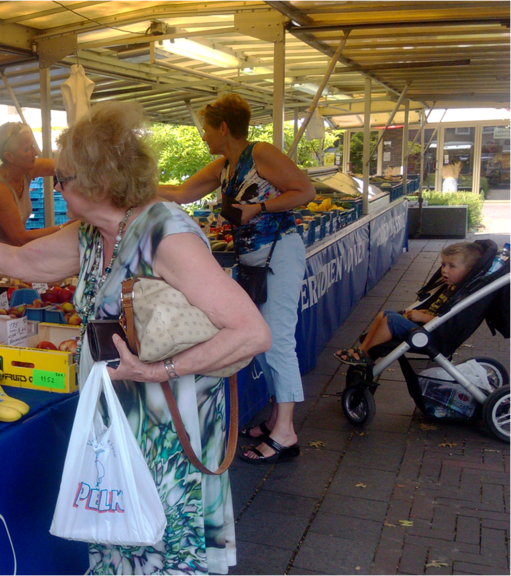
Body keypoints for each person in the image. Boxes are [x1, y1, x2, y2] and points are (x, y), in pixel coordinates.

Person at [0, 101, 271, 575]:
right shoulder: (93, 233)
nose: (55, 186)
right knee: (122, 545)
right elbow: (22, 262)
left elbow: (251, 332)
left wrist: (155, 370)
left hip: (168, 433)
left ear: (100, 183)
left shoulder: (165, 233)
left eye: (62, 179)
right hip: (121, 425)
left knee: (165, 554)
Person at [157, 93, 315, 465]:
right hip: (253, 262)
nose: (202, 137)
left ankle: (286, 433)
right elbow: (180, 193)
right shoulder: (226, 165)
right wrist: (127, 189)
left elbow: (305, 191)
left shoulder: (260, 153)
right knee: (258, 338)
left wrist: (259, 208)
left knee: (276, 339)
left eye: (205, 130)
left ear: (223, 128)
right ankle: (278, 416)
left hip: (280, 254)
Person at [336, 242, 484, 365]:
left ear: (469, 271)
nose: (444, 271)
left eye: (452, 266)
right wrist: (425, 312)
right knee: (385, 313)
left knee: (392, 320)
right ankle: (362, 350)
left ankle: (366, 355)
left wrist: (421, 317)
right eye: (443, 265)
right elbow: (440, 312)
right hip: (429, 328)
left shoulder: (463, 296)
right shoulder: (452, 288)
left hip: (435, 336)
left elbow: (450, 322)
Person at [0, 122, 67, 245]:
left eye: (33, 146)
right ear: (9, 156)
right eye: (27, 149)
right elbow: (20, 238)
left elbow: (68, 166)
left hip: (8, 252)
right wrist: (65, 228)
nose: (35, 152)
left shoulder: (26, 168)